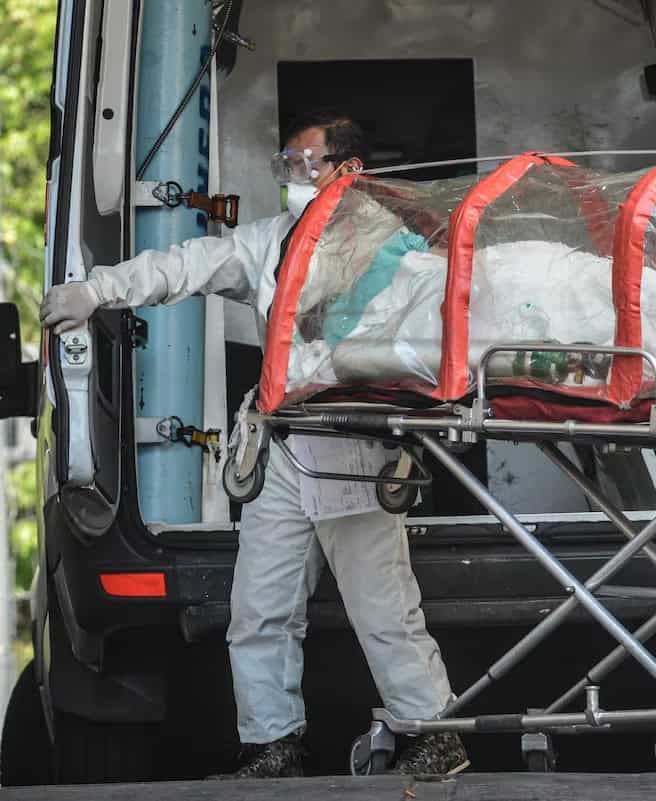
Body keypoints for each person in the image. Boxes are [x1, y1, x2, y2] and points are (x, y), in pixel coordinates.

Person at [40, 111, 468, 779]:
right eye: (284, 165)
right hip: (283, 450)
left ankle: (435, 730)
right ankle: (272, 744)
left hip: (355, 451)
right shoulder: (272, 242)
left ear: (348, 170)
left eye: (303, 164)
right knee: (259, 609)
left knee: (383, 607)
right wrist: (98, 290)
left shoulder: (400, 250)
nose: (288, 177)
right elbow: (187, 264)